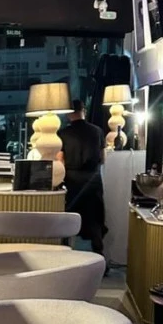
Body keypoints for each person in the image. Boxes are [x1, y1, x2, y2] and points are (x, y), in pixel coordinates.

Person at [59, 98, 107, 260]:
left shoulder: (63, 134)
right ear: (83, 111)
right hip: (93, 179)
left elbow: (60, 161)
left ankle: (66, 256)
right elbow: (103, 158)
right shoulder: (98, 131)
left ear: (68, 114)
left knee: (69, 219)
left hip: (71, 180)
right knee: (95, 219)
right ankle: (99, 257)